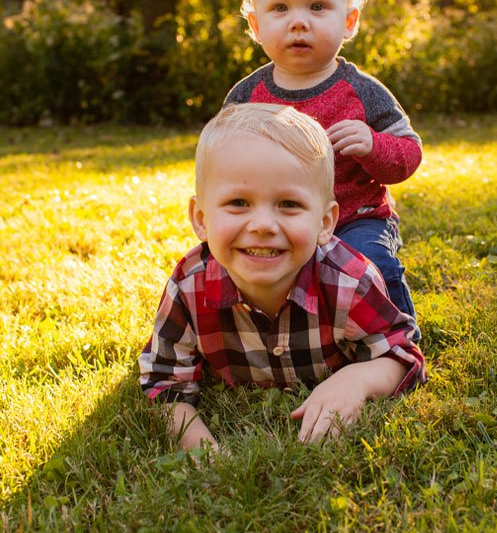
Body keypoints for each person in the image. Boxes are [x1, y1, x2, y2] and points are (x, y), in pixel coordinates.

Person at [138, 103, 426, 453]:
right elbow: (164, 381)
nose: (262, 225)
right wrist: (201, 451)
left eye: (289, 204)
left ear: (324, 223)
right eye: (239, 202)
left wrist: (357, 381)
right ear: (201, 218)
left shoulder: (348, 280)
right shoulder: (189, 284)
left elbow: (401, 355)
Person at [225, 0, 422, 338]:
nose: (299, 21)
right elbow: (219, 163)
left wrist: (372, 145)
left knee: (370, 263)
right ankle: (252, 337)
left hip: (355, 218)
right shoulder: (246, 97)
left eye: (317, 6)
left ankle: (398, 340)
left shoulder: (362, 92)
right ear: (256, 25)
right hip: (277, 221)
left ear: (348, 21)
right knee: (229, 266)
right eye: (280, 8)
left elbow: (408, 154)